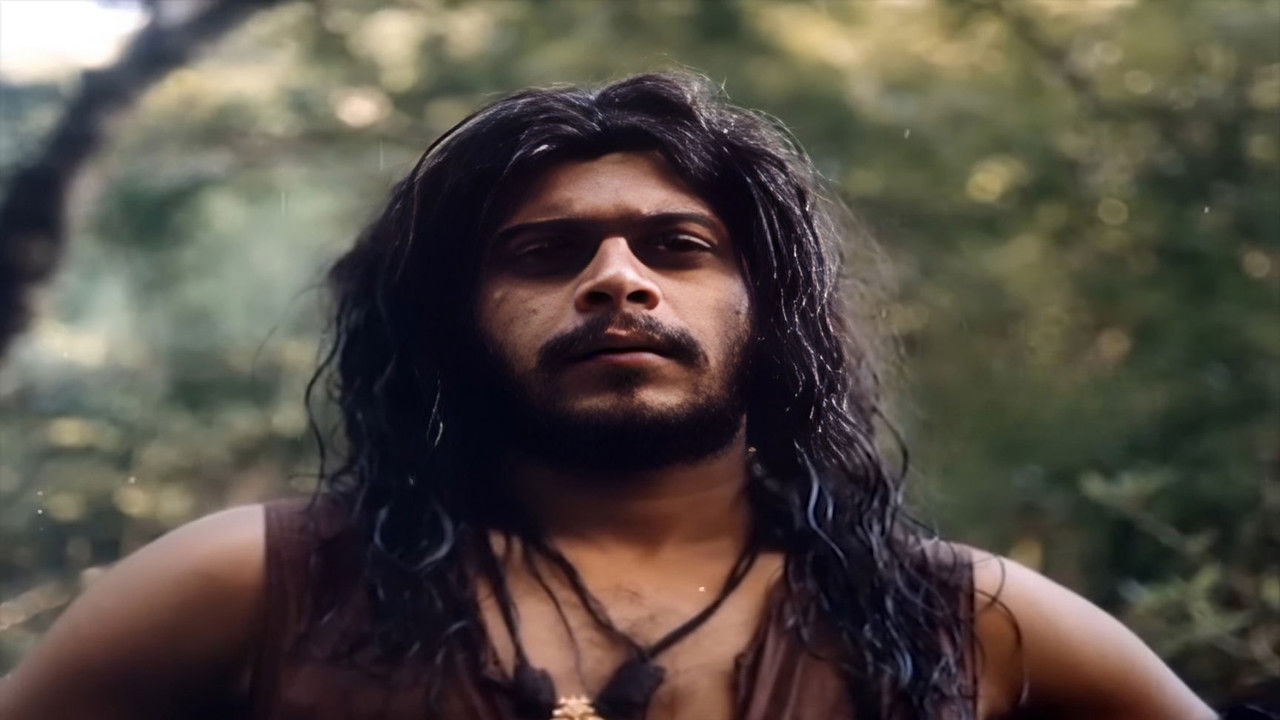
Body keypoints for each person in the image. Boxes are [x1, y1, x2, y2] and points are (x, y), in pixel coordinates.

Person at [0, 73, 1213, 720]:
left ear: (763, 311)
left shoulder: (965, 620)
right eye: (546, 255)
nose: (616, 281)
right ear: (452, 323)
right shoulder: (251, 588)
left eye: (677, 248)